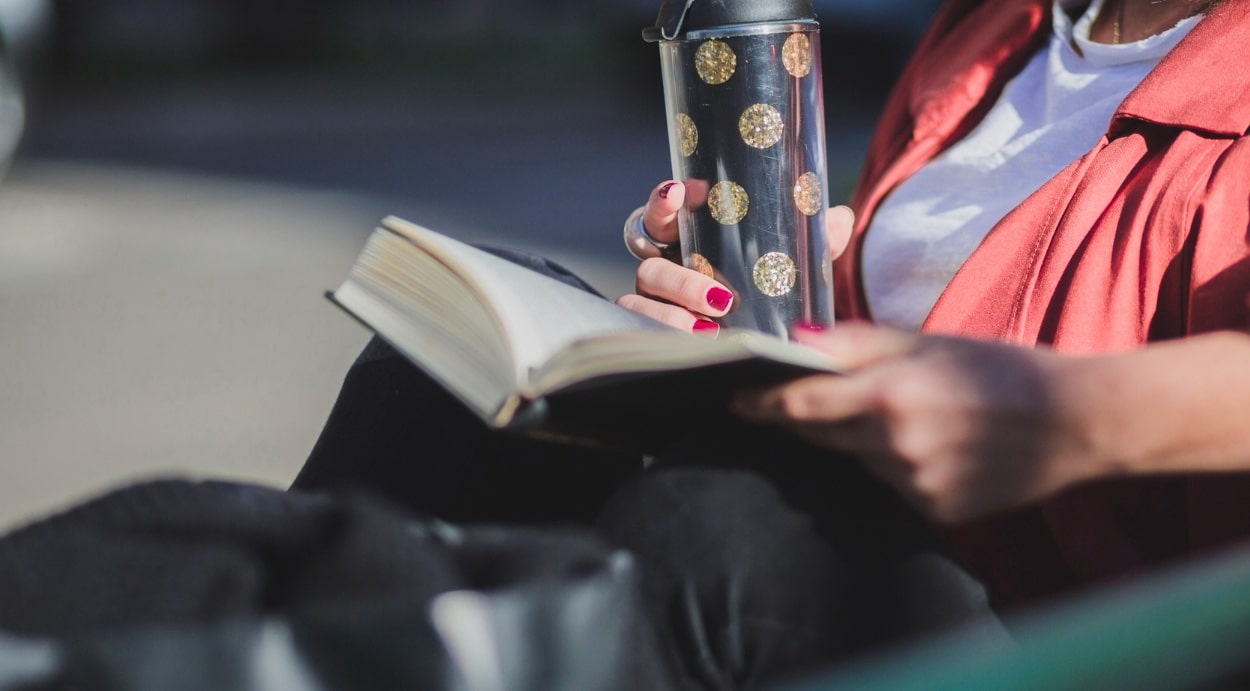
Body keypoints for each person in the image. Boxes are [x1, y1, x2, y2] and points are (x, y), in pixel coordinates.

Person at [294, 0, 1250, 686]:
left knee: (713, 527)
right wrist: (738, 310)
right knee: (430, 383)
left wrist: (1065, 420)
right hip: (872, 500)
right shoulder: (998, 26)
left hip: (1104, 622)